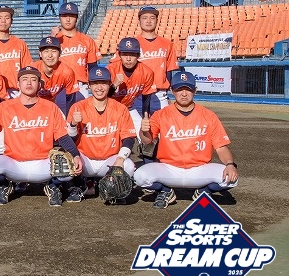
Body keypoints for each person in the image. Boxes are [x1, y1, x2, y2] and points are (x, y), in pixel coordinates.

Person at [0, 66, 83, 207]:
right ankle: (5, 185)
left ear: (39, 85)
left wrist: (75, 155)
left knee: (68, 167)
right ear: (18, 84)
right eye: (24, 79)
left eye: (33, 79)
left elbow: (63, 136)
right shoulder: (5, 107)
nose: (29, 83)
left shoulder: (50, 107)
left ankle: (52, 186)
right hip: (13, 163)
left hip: (43, 163)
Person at [134, 72, 239, 208]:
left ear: (195, 90)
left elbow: (221, 147)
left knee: (232, 179)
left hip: (199, 169)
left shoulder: (208, 115)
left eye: (188, 89)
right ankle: (166, 191)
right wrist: (143, 130)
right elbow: (147, 141)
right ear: (172, 90)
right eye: (179, 89)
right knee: (140, 176)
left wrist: (230, 164)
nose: (184, 94)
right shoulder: (161, 115)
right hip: (169, 168)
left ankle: (203, 192)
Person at [66, 67, 137, 203]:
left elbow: (128, 138)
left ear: (110, 84)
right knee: (65, 161)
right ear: (89, 85)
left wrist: (120, 159)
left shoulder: (120, 109)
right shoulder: (78, 107)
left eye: (103, 83)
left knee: (128, 165)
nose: (99, 87)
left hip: (109, 160)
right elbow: (70, 139)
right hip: (85, 161)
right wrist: (73, 125)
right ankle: (79, 185)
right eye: (95, 83)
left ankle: (113, 189)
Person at [106, 37, 155, 135]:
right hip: (108, 109)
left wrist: (145, 117)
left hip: (129, 108)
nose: (128, 59)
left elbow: (146, 97)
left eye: (132, 55)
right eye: (125, 54)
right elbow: (102, 98)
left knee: (144, 134)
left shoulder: (147, 72)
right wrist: (114, 85)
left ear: (138, 55)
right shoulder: (110, 70)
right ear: (119, 54)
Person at [0, 5, 32, 97]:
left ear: (12, 21)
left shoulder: (20, 43)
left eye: (7, 18)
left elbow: (27, 68)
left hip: (16, 91)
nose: (3, 21)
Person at [51, 2, 100, 98]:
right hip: (58, 85)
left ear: (76, 18)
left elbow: (93, 67)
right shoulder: (53, 39)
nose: (68, 19)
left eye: (71, 16)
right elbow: (44, 63)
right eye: (64, 16)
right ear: (60, 17)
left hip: (80, 86)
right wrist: (52, 37)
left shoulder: (87, 40)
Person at [134, 6, 179, 112]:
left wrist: (167, 94)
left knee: (162, 123)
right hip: (137, 94)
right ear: (139, 21)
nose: (148, 21)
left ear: (157, 20)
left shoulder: (167, 44)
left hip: (160, 94)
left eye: (152, 18)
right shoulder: (132, 43)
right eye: (145, 18)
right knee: (138, 123)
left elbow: (169, 71)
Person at [34, 36, 78, 117]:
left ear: (60, 53)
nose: (50, 55)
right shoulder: (32, 71)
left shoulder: (67, 72)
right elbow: (24, 97)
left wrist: (69, 119)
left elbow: (70, 99)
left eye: (54, 51)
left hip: (53, 104)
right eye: (46, 51)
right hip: (33, 106)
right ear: (40, 53)